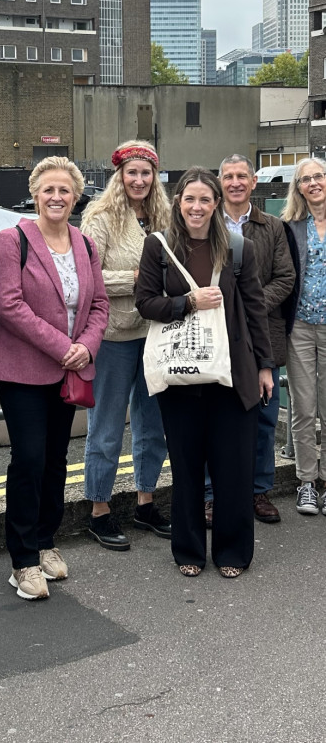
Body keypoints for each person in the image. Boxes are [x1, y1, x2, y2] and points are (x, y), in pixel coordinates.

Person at [136, 166, 273, 578]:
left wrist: (265, 365)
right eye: (189, 199)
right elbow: (145, 303)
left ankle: (233, 552)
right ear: (178, 203)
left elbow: (254, 309)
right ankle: (189, 551)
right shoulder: (157, 247)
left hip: (232, 374)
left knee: (233, 468)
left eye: (205, 200)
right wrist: (188, 303)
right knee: (187, 466)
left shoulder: (237, 247)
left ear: (216, 205)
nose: (197, 207)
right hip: (180, 377)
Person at [0, 156, 108, 600]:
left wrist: (88, 346)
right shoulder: (10, 240)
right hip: (25, 371)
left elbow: (98, 307)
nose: (56, 197)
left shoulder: (86, 244)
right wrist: (65, 347)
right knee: (29, 460)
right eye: (48, 190)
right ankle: (21, 560)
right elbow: (9, 305)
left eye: (65, 191)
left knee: (57, 460)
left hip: (72, 369)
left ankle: (45, 541)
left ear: (76, 197)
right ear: (35, 194)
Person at [81, 141, 171, 551]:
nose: (139, 180)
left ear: (155, 177)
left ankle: (145, 501)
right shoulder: (99, 218)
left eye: (146, 173)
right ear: (120, 176)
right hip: (115, 336)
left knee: (153, 427)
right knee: (107, 428)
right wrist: (136, 278)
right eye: (132, 172)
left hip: (156, 334)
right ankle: (99, 510)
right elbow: (89, 278)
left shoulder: (165, 216)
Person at [204, 155, 295, 526]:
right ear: (219, 182)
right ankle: (212, 495)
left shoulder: (272, 226)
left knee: (263, 419)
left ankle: (259, 491)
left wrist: (247, 308)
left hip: (261, 337)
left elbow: (286, 279)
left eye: (243, 176)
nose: (236, 182)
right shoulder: (205, 225)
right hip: (213, 337)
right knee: (213, 419)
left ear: (254, 182)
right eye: (229, 176)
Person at [282, 159, 326, 516]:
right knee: (304, 406)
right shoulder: (290, 227)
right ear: (298, 188)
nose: (313, 183)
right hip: (299, 325)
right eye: (306, 179)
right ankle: (307, 483)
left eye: (319, 176)